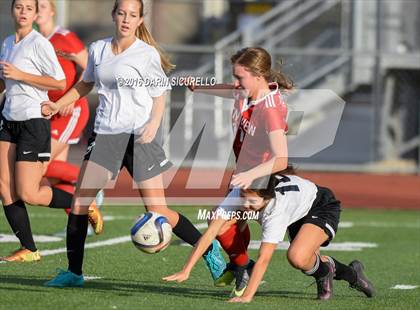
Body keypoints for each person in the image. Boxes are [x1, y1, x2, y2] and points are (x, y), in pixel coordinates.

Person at [42, 0, 225, 288]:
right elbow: (85, 83)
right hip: (105, 134)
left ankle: (210, 251)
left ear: (140, 20)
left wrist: (153, 124)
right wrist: (57, 105)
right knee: (80, 202)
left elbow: (160, 93)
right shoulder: (98, 49)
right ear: (113, 15)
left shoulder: (146, 54)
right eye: (121, 13)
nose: (126, 19)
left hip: (140, 136)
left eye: (132, 15)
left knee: (159, 211)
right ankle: (73, 273)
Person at [163, 171, 375, 302]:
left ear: (266, 197)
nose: (246, 206)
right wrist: (186, 270)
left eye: (252, 203)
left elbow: (264, 259)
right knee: (216, 222)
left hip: (319, 205)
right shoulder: (240, 193)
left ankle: (352, 275)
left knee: (298, 257)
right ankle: (242, 264)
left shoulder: (276, 210)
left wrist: (247, 297)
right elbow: (210, 233)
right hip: (297, 206)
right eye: (244, 199)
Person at [0, 0, 102, 263]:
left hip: (33, 122)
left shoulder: (40, 43)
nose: (23, 12)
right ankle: (29, 248)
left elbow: (58, 80)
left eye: (29, 8)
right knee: (4, 186)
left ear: (35, 14)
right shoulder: (8, 42)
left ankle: (84, 203)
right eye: (18, 6)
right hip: (9, 120)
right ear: (12, 10)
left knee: (29, 193)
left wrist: (21, 74)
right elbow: (5, 82)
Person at [187, 47, 291, 295]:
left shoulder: (270, 109)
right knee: (226, 224)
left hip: (263, 179)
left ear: (258, 76)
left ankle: (244, 266)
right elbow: (229, 90)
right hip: (245, 172)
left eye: (240, 77)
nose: (236, 82)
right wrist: (199, 87)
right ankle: (242, 265)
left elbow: (282, 159)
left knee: (220, 222)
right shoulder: (246, 91)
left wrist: (251, 175)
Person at [36, 0, 103, 236]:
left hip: (69, 111)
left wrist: (70, 99)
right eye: (35, 6)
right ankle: (80, 213)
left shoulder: (64, 37)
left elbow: (89, 70)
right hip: (50, 113)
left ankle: (92, 187)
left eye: (43, 6)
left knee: (39, 168)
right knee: (50, 175)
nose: (38, 10)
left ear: (52, 10)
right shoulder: (34, 41)